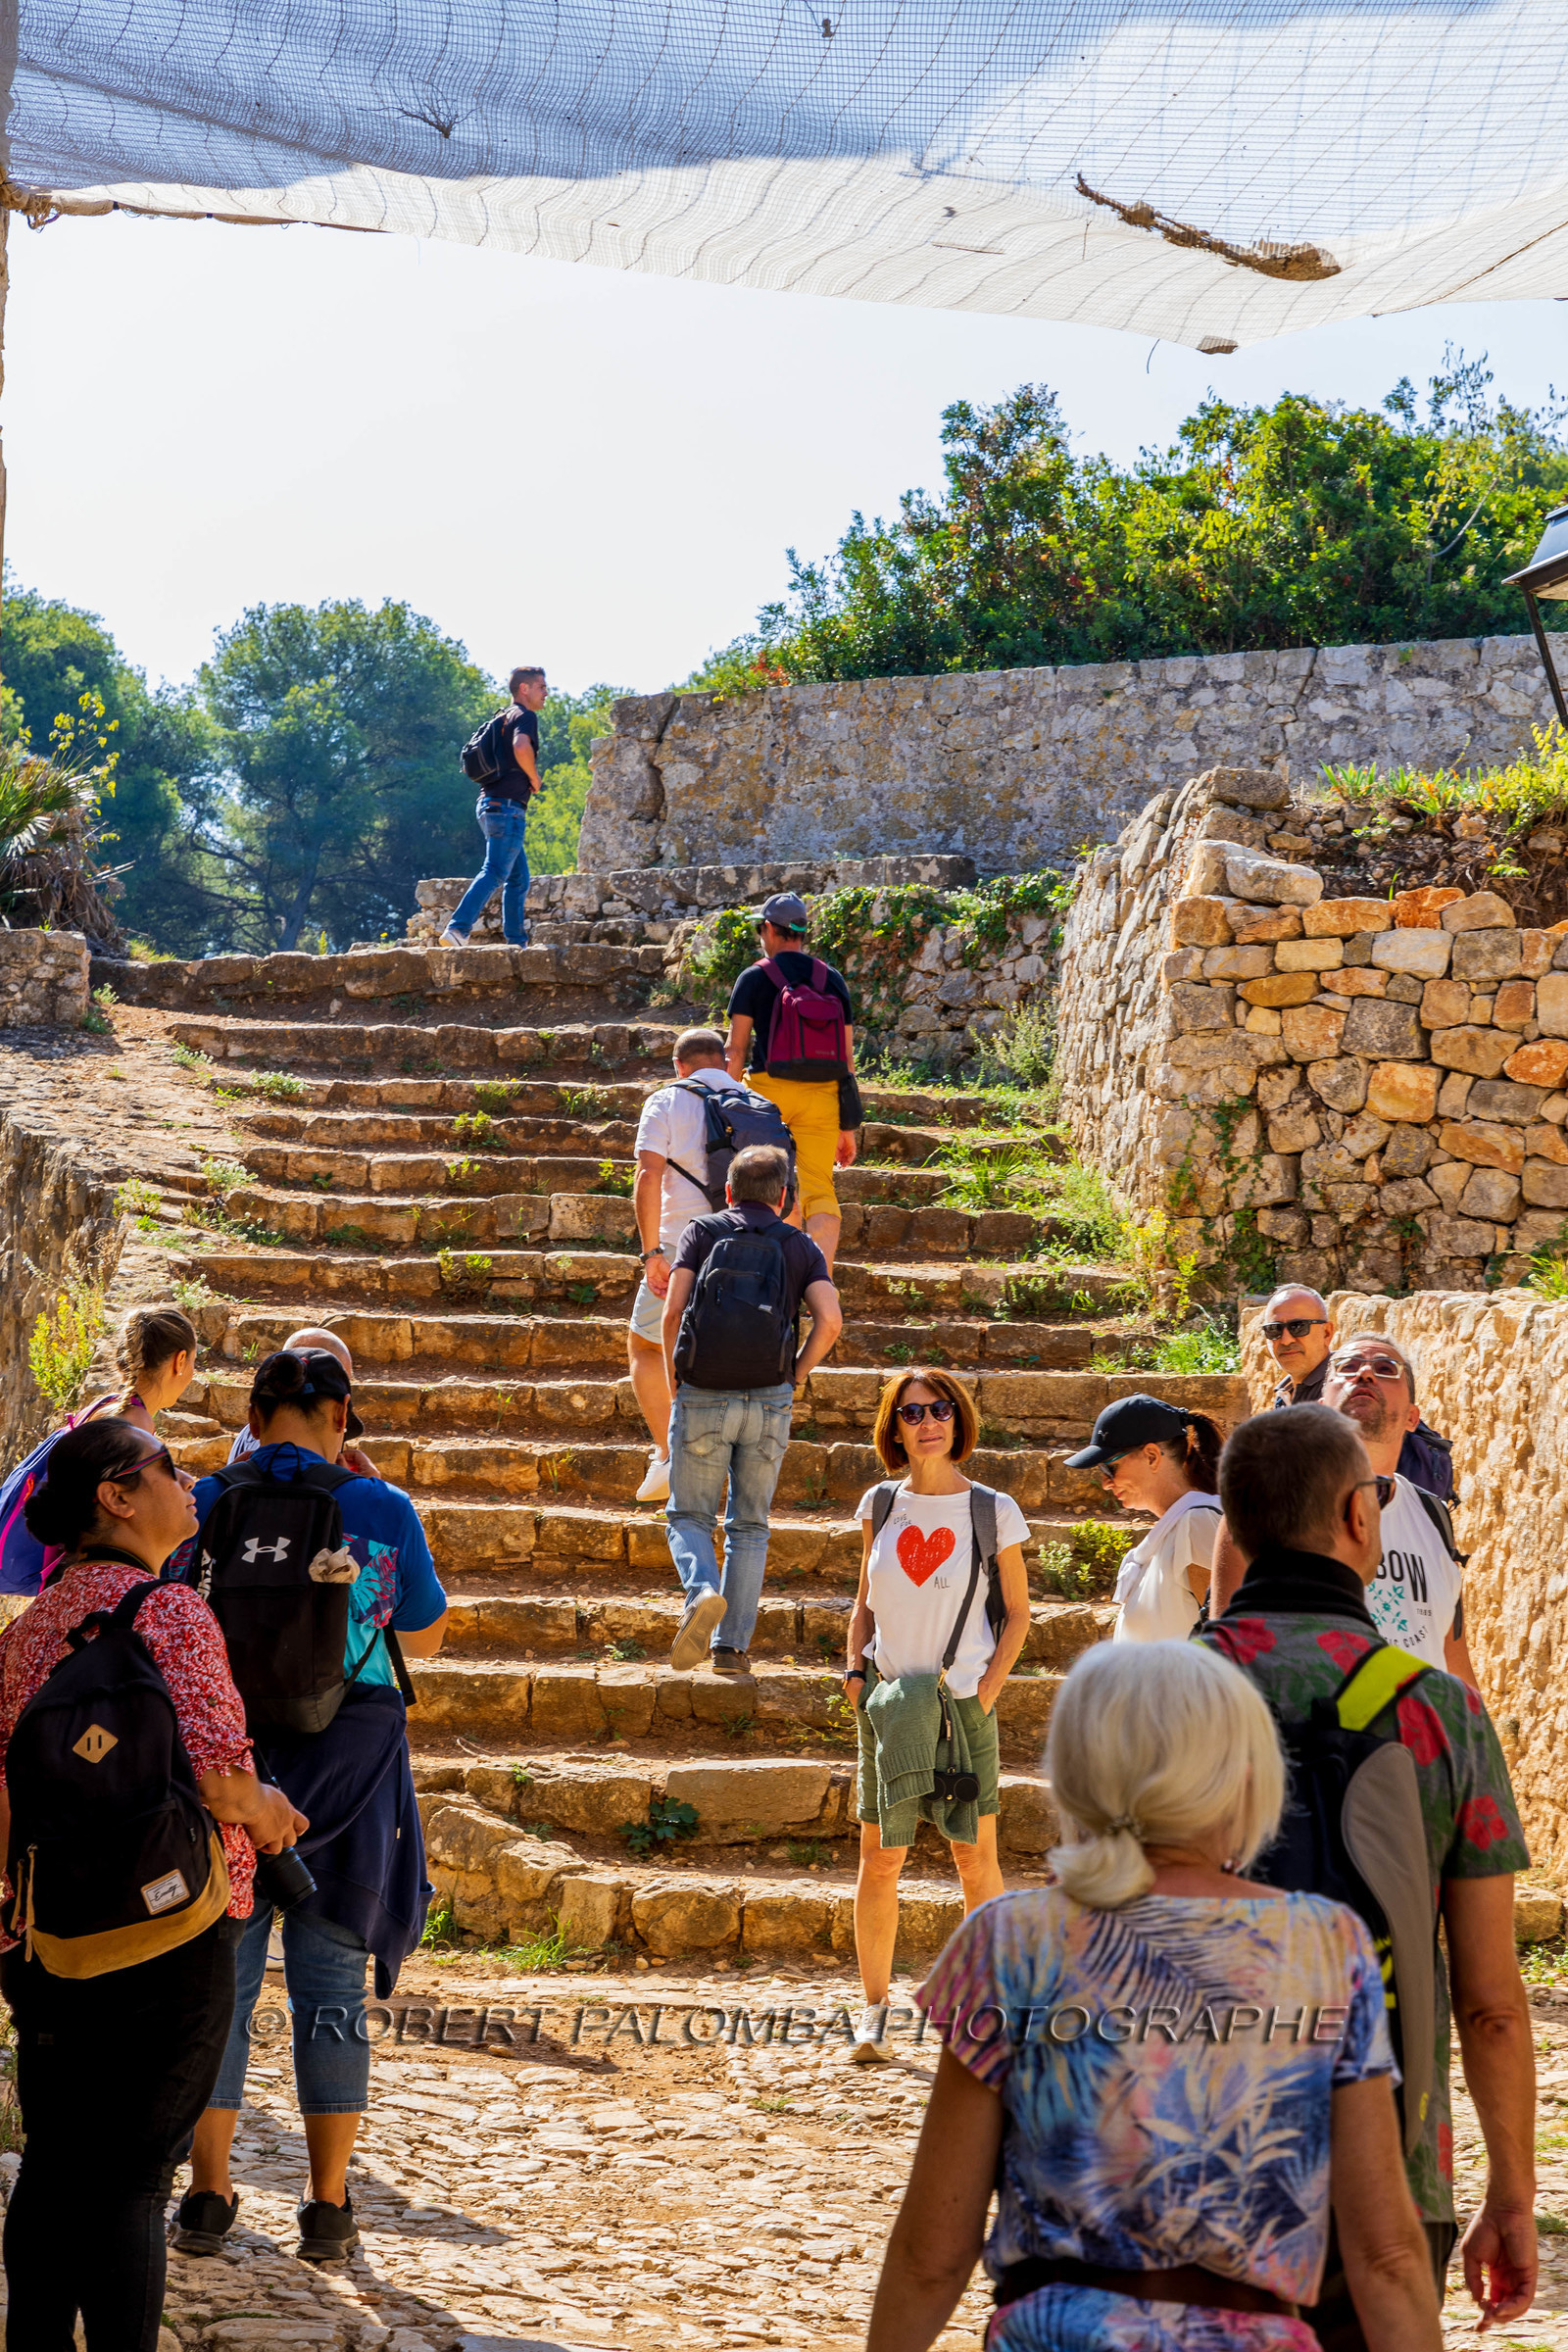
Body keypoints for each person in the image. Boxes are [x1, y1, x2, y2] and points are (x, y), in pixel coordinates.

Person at [869, 1639, 1445, 2352]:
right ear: (1241, 1776)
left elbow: (932, 2253)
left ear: (1079, 1771)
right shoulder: (1326, 1946)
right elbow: (1385, 2256)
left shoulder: (1010, 1942)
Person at [1203, 1404, 1536, 2343]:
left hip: (1188, 2161)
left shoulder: (1159, 1696)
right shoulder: (1441, 1713)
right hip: (1393, 2173)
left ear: (1234, 1529)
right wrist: (1511, 2194)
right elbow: (1491, 2001)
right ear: (1359, 1517)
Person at [0, 1418, 303, 2352]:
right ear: (116, 1499)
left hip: (50, 1932)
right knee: (133, 2176)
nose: (190, 1482)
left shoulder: (32, 1629)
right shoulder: (170, 1612)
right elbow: (219, 1778)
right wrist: (273, 1812)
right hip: (172, 1934)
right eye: (168, 1468)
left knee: (53, 2164)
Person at [174, 1348, 449, 2264]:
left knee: (226, 1984)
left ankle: (209, 2199)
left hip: (234, 1769)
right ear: (341, 1417)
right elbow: (426, 1630)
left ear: (255, 1417)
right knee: (330, 1990)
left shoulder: (205, 1503)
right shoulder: (379, 1508)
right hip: (349, 1767)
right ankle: (328, 2209)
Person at [847, 1369, 1031, 2069]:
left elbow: (1018, 1613)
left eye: (941, 1409)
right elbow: (863, 1598)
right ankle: (872, 2017)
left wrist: (985, 1693)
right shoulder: (881, 1503)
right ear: (894, 1427)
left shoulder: (992, 1509)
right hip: (891, 1701)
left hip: (963, 1706)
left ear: (959, 1420)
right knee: (880, 1858)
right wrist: (856, 1675)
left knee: (974, 1859)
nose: (929, 1421)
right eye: (913, 1411)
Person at [661, 1145, 841, 1675]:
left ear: (730, 1191)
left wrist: (679, 1378)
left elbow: (673, 1310)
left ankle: (700, 1593)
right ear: (784, 1197)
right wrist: (796, 1375)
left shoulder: (703, 1232)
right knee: (750, 1526)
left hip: (704, 1391)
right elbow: (829, 1321)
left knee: (690, 1514)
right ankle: (730, 1648)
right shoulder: (800, 1245)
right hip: (769, 1397)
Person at [627, 1027, 785, 1506]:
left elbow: (648, 1174)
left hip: (683, 1246)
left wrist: (652, 1251)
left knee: (646, 1346)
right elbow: (785, 1189)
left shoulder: (666, 1101)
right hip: (753, 1247)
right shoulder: (758, 1104)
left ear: (679, 1065)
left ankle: (670, 1450)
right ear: (725, 1061)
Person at [0, 1304, 201, 1595]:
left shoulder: (106, 1406)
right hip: (80, 1566)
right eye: (194, 1362)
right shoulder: (134, 1424)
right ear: (179, 1361)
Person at [1322, 1335, 1474, 1680]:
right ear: (1319, 1406)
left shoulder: (1432, 1516)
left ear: (1411, 1417)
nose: (1364, 1373)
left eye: (1386, 1368)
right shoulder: (1271, 1500)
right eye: (1347, 1366)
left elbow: (1454, 1661)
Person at [724, 891, 861, 1272]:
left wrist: (724, 1105)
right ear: (802, 932)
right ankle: (820, 1281)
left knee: (768, 1186)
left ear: (768, 929)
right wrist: (846, 1125)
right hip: (823, 1096)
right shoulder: (830, 978)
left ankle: (773, 1277)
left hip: (769, 1094)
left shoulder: (754, 976)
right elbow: (847, 1059)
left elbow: (735, 1051)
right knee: (820, 1190)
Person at [1262, 1283, 1453, 1497]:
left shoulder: (1347, 1397)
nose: (1286, 1339)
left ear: (1327, 1332)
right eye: (1274, 1330)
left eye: (1299, 1327)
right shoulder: (1286, 1395)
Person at [1063, 1394, 1223, 1640]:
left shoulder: (1197, 1523)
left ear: (1151, 1456)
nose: (1105, 1483)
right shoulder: (1180, 1525)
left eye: (1109, 1467)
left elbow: (1231, 1641)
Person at [440, 665, 548, 949]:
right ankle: (458, 928)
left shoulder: (502, 717)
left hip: (489, 805)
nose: (546, 693)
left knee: (518, 879)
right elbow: (521, 747)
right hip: (507, 808)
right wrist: (534, 778)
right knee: (496, 871)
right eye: (541, 687)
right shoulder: (524, 716)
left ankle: (516, 942)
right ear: (524, 689)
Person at [226, 1325, 382, 1481]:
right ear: (341, 1414)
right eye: (338, 1380)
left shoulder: (217, 1488)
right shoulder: (286, 1449)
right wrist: (371, 1495)